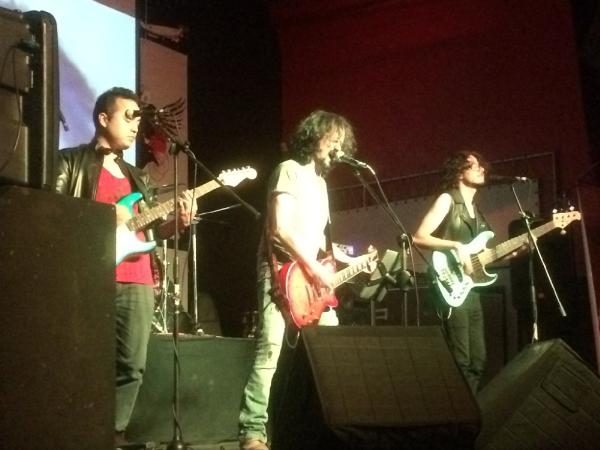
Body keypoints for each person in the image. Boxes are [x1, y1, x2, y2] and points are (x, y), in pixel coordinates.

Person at [54, 87, 196, 447]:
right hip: (89, 276)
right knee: (82, 361)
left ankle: (113, 436)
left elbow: (151, 231)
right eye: (129, 117)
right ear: (104, 119)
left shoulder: (138, 178)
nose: (136, 126)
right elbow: (53, 214)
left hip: (138, 279)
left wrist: (178, 223)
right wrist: (105, 215)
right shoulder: (70, 161)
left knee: (132, 364)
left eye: (138, 118)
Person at [238, 110, 367, 450]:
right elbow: (280, 229)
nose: (338, 147)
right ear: (314, 137)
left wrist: (351, 261)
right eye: (333, 138)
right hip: (281, 272)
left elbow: (320, 242)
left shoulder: (322, 185)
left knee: (330, 349)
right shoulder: (289, 170)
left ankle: (330, 427)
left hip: (311, 276)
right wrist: (314, 268)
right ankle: (252, 432)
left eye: (343, 142)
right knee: (270, 349)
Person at [413, 151, 491, 394]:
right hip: (450, 284)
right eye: (474, 165)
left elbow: (482, 256)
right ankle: (459, 410)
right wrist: (456, 246)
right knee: (461, 359)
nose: (481, 169)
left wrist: (518, 249)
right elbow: (419, 237)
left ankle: (471, 408)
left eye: (481, 165)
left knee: (478, 361)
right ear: (459, 172)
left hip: (471, 289)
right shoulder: (447, 200)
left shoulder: (476, 211)